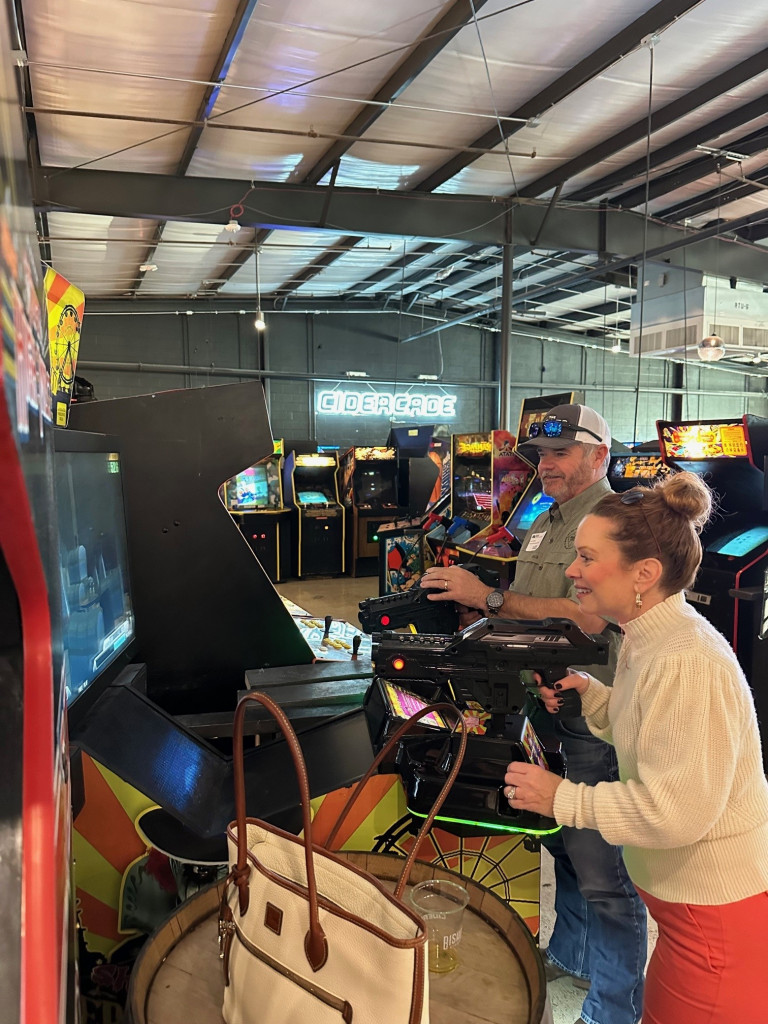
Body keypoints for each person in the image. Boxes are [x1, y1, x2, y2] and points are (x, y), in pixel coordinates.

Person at [504, 471, 768, 1024]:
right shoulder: (648, 635)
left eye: (586, 558)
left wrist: (562, 798)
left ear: (644, 574)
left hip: (714, 920)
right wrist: (593, 696)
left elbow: (675, 813)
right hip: (685, 912)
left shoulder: (685, 660)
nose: (572, 571)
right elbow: (651, 730)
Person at [421, 404, 647, 1024]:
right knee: (563, 846)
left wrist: (490, 597)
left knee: (603, 871)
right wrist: (481, 615)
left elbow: (588, 620)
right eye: (541, 456)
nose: (546, 466)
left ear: (599, 456)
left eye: (560, 453)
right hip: (544, 702)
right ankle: (573, 956)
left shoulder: (615, 524)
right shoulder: (546, 519)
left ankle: (615, 1007)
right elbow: (537, 612)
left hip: (592, 713)